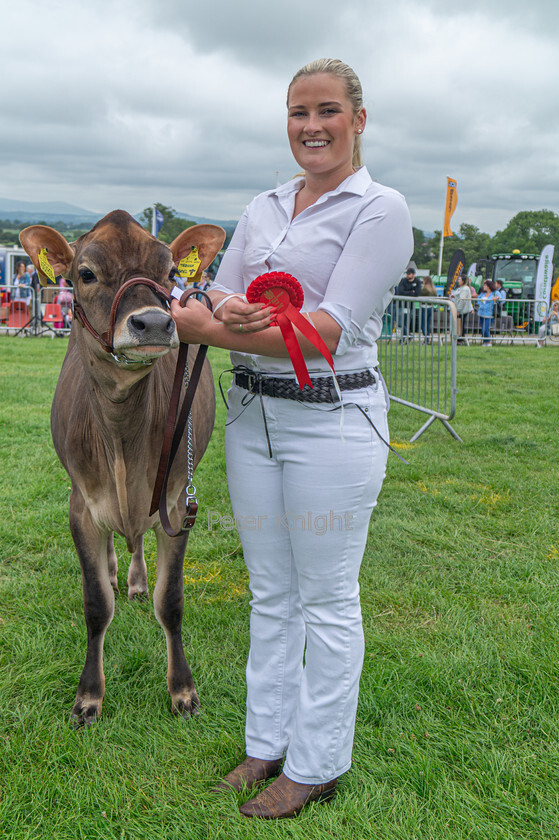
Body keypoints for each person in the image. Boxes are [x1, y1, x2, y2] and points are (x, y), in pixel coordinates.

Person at [170, 58, 413, 819]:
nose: (310, 126)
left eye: (327, 111)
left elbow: (330, 331)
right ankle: (264, 743)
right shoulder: (264, 204)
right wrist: (228, 313)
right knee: (271, 593)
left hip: (331, 422)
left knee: (327, 598)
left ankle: (316, 763)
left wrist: (239, 321)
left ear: (358, 119)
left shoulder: (380, 209)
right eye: (297, 112)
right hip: (251, 416)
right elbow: (211, 296)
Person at [396, 267, 421, 340]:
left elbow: (417, 293)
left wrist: (407, 292)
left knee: (407, 323)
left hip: (410, 306)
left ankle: (403, 339)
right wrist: (411, 292)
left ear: (413, 274)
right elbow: (400, 292)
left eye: (409, 274)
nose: (407, 275)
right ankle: (408, 335)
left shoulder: (417, 281)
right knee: (400, 323)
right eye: (407, 274)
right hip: (401, 305)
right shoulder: (403, 281)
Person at [450, 274, 474, 343]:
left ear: (463, 281)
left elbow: (462, 300)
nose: (458, 281)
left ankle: (460, 340)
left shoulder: (465, 289)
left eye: (459, 279)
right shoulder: (461, 288)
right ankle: (459, 339)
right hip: (459, 310)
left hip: (462, 311)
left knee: (460, 325)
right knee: (459, 325)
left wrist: (458, 310)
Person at [476, 280, 498, 346]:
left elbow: (500, 297)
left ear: (488, 286)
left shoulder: (494, 293)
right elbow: (478, 299)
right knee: (483, 329)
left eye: (485, 285)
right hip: (481, 312)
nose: (483, 287)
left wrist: (497, 298)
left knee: (485, 329)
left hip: (489, 313)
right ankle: (485, 342)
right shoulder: (483, 294)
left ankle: (488, 341)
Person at [418, 275, 437, 343]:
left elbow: (419, 295)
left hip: (424, 307)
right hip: (430, 307)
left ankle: (426, 339)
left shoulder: (424, 290)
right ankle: (428, 338)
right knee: (428, 324)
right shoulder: (433, 290)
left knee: (423, 325)